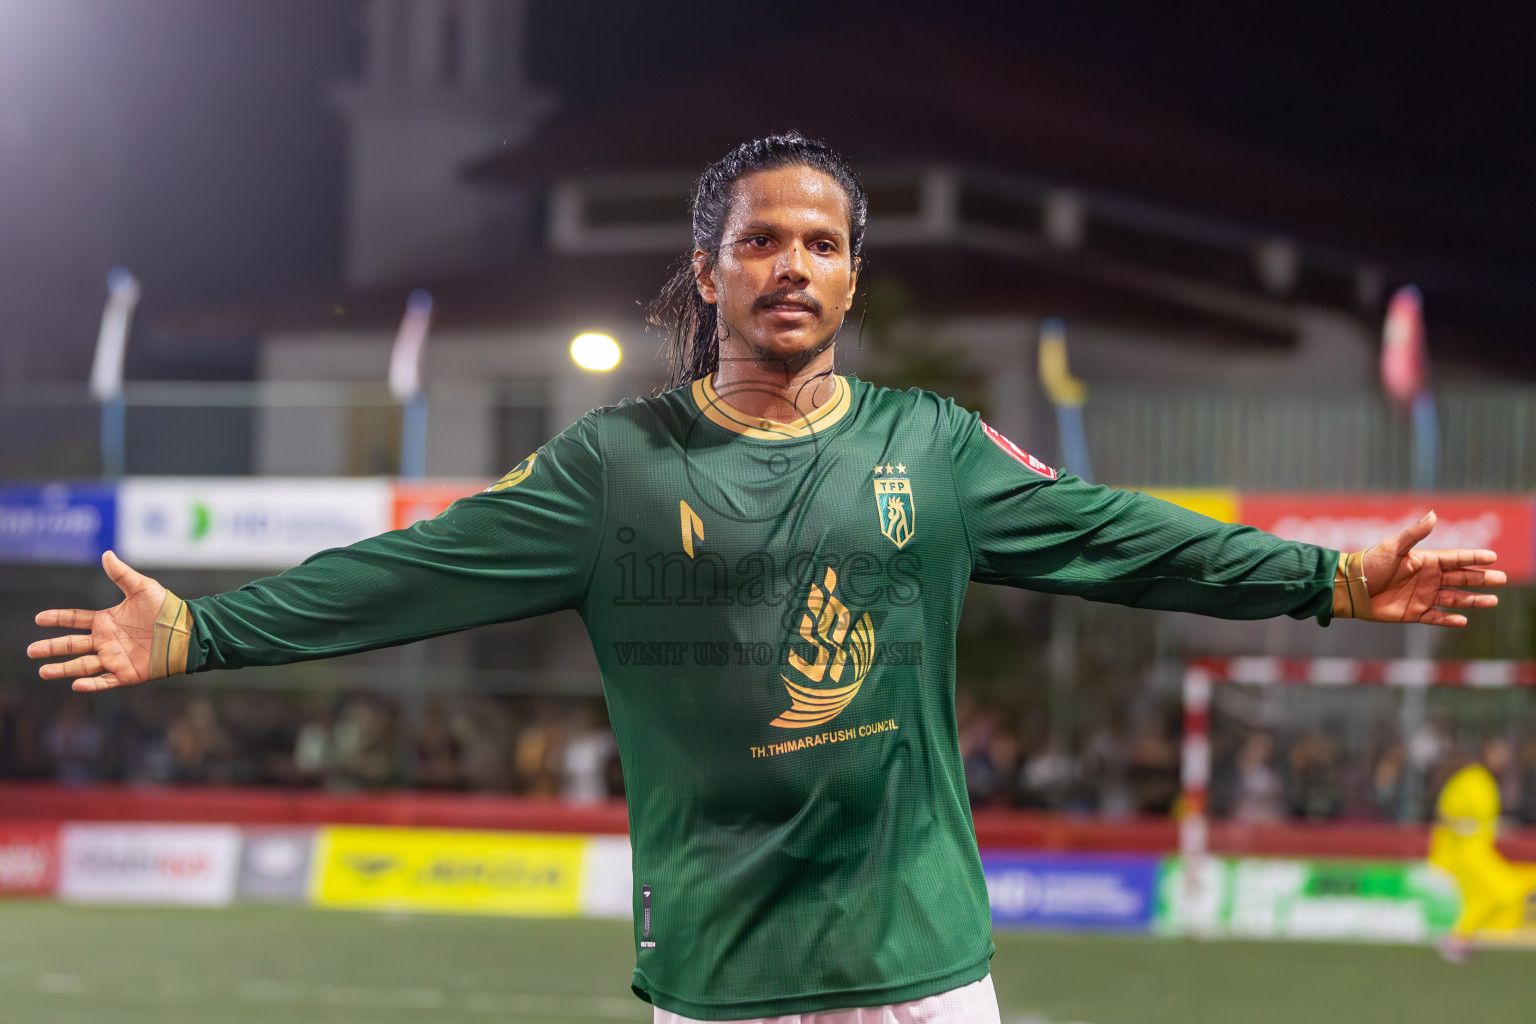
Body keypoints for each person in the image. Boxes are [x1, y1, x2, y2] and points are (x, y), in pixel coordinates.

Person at [28, 134, 1506, 1023]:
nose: (790, 264)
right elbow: (411, 574)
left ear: (855, 277)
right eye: (759, 242)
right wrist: (205, 633)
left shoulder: (933, 447)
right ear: (711, 270)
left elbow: (1127, 536)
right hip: (723, 977)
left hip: (925, 966)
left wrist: (1323, 579)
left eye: (820, 243)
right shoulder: (614, 470)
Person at [1429, 737, 1536, 962]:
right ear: (1486, 753)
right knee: (1506, 890)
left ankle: (1460, 938)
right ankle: (1459, 937)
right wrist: (1468, 827)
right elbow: (1445, 815)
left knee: (1484, 896)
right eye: (1499, 753)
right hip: (1464, 853)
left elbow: (1485, 821)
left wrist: (1497, 827)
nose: (1503, 759)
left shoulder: (1486, 781)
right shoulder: (1470, 778)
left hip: (1479, 851)